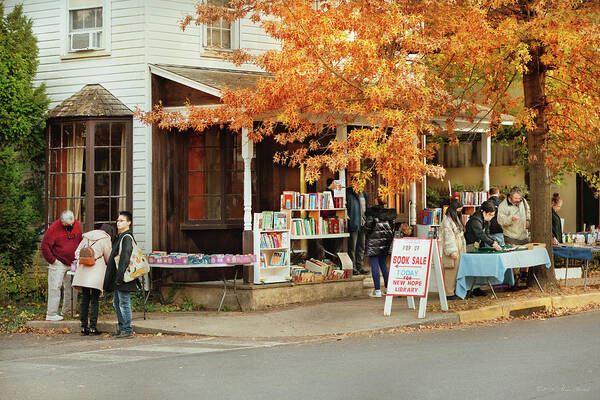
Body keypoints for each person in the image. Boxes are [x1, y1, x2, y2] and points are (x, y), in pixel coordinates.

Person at [73, 224, 115, 335]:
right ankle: (92, 327)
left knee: (85, 299)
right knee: (95, 300)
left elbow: (77, 253)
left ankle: (83, 327)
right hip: (96, 271)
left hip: (83, 271)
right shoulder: (105, 238)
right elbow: (108, 257)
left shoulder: (87, 237)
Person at [41, 210, 82, 321]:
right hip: (58, 262)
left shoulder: (77, 224)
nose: (70, 226)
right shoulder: (54, 228)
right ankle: (51, 313)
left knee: (73, 287)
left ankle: (68, 311)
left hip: (73, 262)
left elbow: (80, 241)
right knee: (55, 287)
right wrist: (53, 261)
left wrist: (78, 258)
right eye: (66, 225)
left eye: (71, 224)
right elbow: (44, 246)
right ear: (61, 222)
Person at [104, 211, 139, 338]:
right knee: (117, 302)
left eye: (122, 220)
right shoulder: (121, 237)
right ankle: (122, 327)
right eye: (118, 220)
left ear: (129, 222)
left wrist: (119, 278)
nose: (118, 223)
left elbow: (125, 258)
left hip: (124, 277)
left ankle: (127, 329)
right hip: (119, 277)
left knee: (123, 303)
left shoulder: (126, 238)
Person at [464, 201, 501, 296]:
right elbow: (480, 234)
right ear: (484, 212)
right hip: (470, 245)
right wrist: (492, 243)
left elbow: (487, 234)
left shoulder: (485, 220)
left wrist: (494, 241)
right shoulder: (475, 220)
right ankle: (469, 289)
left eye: (493, 215)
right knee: (471, 268)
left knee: (477, 267)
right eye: (490, 215)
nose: (491, 217)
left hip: (478, 245)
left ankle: (476, 289)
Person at [497, 186, 531, 282]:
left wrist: (528, 220)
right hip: (510, 235)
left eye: (519, 198)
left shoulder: (523, 201)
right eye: (516, 198)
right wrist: (510, 219)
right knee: (513, 257)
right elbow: (500, 220)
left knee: (526, 255)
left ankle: (524, 275)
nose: (517, 200)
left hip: (523, 234)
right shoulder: (503, 205)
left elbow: (528, 211)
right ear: (510, 196)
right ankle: (514, 278)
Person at [364, 196, 396, 298]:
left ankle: (377, 290)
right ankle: (387, 289)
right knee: (383, 265)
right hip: (385, 243)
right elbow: (392, 229)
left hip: (373, 242)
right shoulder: (389, 214)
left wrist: (364, 230)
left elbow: (368, 227)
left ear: (377, 201)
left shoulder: (372, 213)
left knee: (374, 265)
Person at [438, 199, 466, 300]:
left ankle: (453, 290)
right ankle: (448, 292)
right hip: (452, 246)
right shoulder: (447, 220)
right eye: (458, 210)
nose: (460, 212)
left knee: (456, 270)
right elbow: (448, 237)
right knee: (450, 270)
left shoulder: (454, 218)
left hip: (458, 244)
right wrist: (452, 251)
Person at [346, 185, 369, 275]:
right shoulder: (348, 193)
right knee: (352, 247)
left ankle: (360, 266)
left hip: (363, 223)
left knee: (361, 246)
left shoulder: (363, 194)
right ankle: (353, 267)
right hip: (354, 222)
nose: (360, 184)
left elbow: (366, 208)